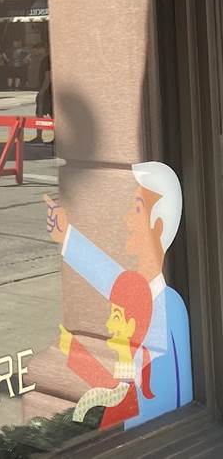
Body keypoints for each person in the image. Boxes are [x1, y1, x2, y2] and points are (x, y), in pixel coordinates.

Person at [46, 162, 193, 427]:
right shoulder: (140, 293)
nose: (127, 219)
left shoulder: (167, 307)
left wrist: (76, 356)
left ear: (158, 226)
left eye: (136, 208)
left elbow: (145, 397)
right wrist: (66, 235)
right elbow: (107, 275)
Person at [63, 270, 155, 430]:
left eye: (116, 317)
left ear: (131, 326)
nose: (108, 324)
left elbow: (117, 396)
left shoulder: (134, 385)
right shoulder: (134, 371)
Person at [32, 43, 52, 143]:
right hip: (51, 91)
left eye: (35, 50)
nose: (34, 52)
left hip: (46, 92)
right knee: (52, 114)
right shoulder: (50, 58)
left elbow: (48, 77)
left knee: (39, 114)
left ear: (41, 49)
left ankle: (39, 136)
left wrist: (42, 92)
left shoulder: (45, 60)